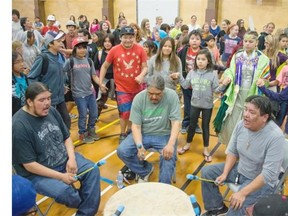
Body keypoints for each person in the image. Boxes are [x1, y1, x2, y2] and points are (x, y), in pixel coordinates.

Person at [12, 82, 101, 216]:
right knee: (67, 194)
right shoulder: (19, 126)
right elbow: (30, 165)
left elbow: (66, 137)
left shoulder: (51, 111)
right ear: (29, 102)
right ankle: (86, 206)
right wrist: (61, 176)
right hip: (38, 173)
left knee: (93, 171)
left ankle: (85, 213)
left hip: (63, 159)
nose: (47, 103)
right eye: (42, 100)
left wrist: (71, 158)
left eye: (48, 98)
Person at [201, 95, 285, 216]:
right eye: (245, 109)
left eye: (251, 112)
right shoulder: (241, 125)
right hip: (241, 169)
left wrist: (242, 193)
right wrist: (225, 173)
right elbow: (232, 151)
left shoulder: (275, 136)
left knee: (235, 207)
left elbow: (268, 174)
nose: (245, 114)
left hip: (261, 180)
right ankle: (217, 207)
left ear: (265, 117)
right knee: (207, 172)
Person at [117, 74, 181, 184]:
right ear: (146, 89)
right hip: (143, 134)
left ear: (163, 90)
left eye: (158, 94)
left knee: (168, 158)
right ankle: (145, 170)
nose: (154, 97)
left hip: (164, 135)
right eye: (150, 94)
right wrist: (139, 145)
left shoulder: (172, 96)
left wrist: (170, 144)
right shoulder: (139, 98)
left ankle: (163, 189)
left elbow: (176, 122)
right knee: (122, 151)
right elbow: (136, 126)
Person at [213, 31, 270, 145]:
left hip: (252, 93)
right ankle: (232, 146)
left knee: (249, 121)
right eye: (245, 41)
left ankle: (245, 147)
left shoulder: (263, 59)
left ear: (256, 43)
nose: (247, 44)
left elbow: (266, 76)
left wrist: (262, 80)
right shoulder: (237, 56)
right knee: (233, 120)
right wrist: (228, 77)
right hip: (236, 93)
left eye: (251, 41)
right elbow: (230, 70)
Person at [172, 49, 227, 161]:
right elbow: (186, 85)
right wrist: (179, 77)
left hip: (207, 106)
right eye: (198, 59)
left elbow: (216, 90)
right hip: (194, 104)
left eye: (203, 59)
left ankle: (206, 149)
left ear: (208, 61)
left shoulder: (212, 74)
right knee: (192, 125)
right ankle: (188, 144)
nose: (200, 62)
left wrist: (224, 85)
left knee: (205, 127)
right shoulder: (192, 73)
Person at [99, 26, 148, 144]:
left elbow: (145, 67)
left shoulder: (140, 49)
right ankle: (122, 132)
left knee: (134, 111)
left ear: (134, 37)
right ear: (120, 38)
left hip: (137, 88)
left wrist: (141, 75)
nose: (128, 40)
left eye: (131, 37)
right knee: (124, 112)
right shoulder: (114, 50)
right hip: (122, 88)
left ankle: (131, 130)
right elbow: (105, 66)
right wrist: (100, 82)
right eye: (125, 37)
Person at [27, 30, 71, 129]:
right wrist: (40, 94)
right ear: (50, 43)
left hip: (60, 98)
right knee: (51, 127)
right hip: (48, 101)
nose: (61, 43)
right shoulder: (43, 58)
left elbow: (58, 74)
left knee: (66, 123)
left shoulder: (59, 56)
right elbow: (31, 78)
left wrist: (62, 85)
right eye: (58, 41)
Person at [64, 37, 104, 143]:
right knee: (82, 115)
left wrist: (100, 84)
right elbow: (62, 73)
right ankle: (82, 133)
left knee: (94, 113)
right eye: (79, 48)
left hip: (89, 92)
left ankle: (91, 130)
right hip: (78, 94)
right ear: (74, 49)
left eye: (84, 48)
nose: (82, 50)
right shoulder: (70, 61)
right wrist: (64, 85)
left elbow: (94, 76)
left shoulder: (89, 61)